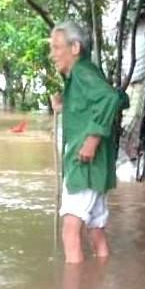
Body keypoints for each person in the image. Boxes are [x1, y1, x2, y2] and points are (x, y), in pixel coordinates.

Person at [49, 21, 129, 264]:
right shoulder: (81, 75)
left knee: (70, 230)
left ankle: (72, 287)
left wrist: (92, 140)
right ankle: (100, 280)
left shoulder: (82, 72)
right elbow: (115, 99)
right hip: (95, 166)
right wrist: (63, 106)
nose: (52, 55)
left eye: (56, 48)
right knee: (95, 228)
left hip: (84, 164)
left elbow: (110, 98)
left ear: (75, 48)